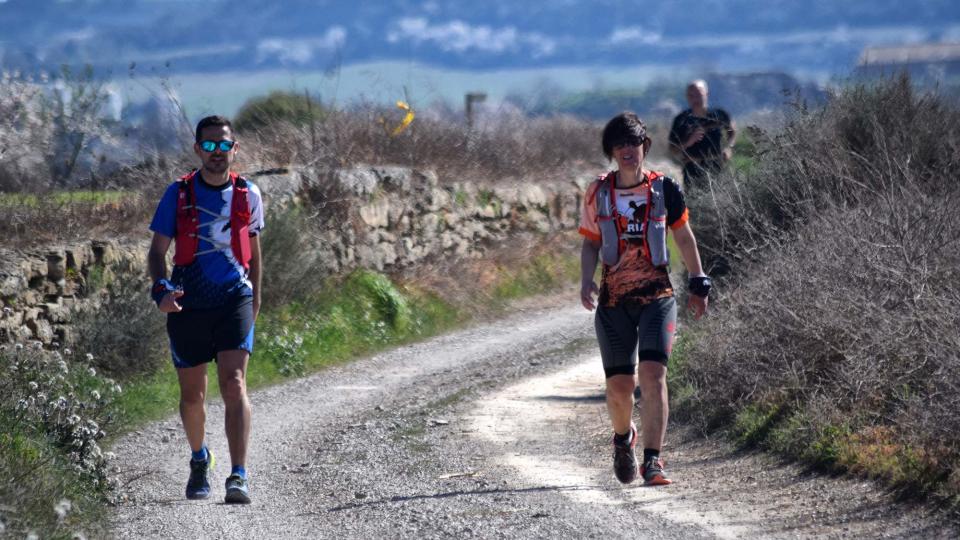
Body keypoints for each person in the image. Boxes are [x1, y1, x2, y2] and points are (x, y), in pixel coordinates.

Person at [579, 111, 711, 485]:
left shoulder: (663, 189)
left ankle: (653, 460)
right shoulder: (598, 192)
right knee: (620, 387)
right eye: (620, 144)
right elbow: (590, 243)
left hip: (658, 296)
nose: (628, 150)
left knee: (653, 376)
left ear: (645, 147)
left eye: (634, 143)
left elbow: (683, 236)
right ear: (611, 151)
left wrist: (699, 279)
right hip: (613, 302)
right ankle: (624, 439)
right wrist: (586, 280)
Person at [147, 115, 265, 504]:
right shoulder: (177, 194)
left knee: (234, 383)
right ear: (198, 149)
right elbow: (156, 252)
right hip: (188, 301)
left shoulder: (249, 194)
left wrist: (257, 298)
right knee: (193, 396)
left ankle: (239, 475)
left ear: (235, 148)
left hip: (235, 298)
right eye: (210, 145)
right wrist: (160, 289)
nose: (217, 152)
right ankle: (200, 458)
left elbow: (255, 253)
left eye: (224, 145)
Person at [668, 79, 736, 192]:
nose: (695, 98)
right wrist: (688, 142)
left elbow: (732, 131)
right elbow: (672, 150)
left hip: (717, 170)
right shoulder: (681, 120)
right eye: (691, 95)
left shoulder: (719, 115)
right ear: (687, 97)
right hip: (692, 174)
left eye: (698, 94)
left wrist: (728, 147)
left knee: (721, 204)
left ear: (707, 93)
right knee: (696, 206)